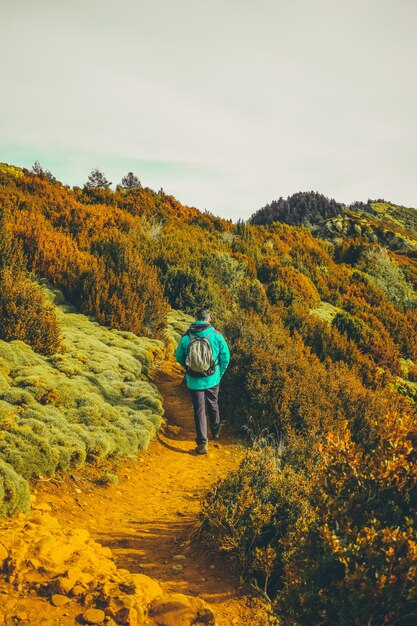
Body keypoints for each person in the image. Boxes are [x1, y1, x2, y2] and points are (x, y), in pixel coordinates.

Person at [175, 308, 230, 455]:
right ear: (208, 319)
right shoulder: (217, 336)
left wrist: (188, 368)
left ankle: (202, 443)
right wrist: (219, 373)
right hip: (213, 378)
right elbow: (226, 357)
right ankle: (215, 430)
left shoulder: (186, 337)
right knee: (213, 402)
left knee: (199, 410)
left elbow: (179, 356)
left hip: (194, 380)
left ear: (195, 318)